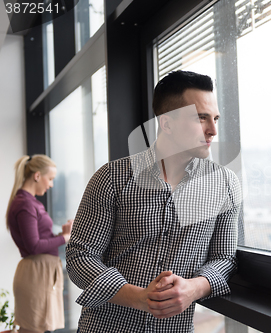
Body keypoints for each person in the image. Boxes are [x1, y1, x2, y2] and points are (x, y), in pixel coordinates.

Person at [66, 70, 242, 332]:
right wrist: (139, 297)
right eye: (201, 118)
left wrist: (193, 288)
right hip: (106, 327)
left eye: (215, 118)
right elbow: (80, 256)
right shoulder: (112, 177)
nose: (213, 130)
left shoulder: (225, 184)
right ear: (167, 123)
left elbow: (225, 258)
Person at [6, 154, 73, 333]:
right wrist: (65, 238)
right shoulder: (25, 204)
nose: (51, 184)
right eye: (50, 179)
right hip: (36, 274)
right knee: (34, 328)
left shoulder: (29, 203)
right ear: (37, 176)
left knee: (39, 327)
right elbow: (34, 246)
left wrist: (61, 234)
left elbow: (39, 238)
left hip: (40, 273)